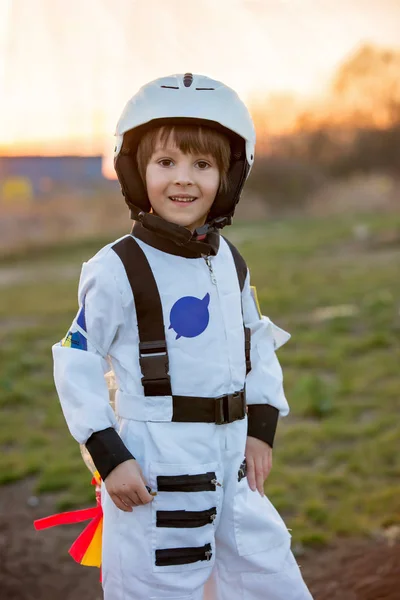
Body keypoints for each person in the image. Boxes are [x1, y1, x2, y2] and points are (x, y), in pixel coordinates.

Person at [53, 73, 313, 600]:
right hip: (156, 464)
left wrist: (261, 426)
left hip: (232, 459)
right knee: (160, 585)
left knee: (269, 578)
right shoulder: (117, 267)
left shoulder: (228, 260)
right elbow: (76, 359)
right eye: (166, 163)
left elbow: (254, 341)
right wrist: (110, 455)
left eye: (202, 165)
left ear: (229, 176)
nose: (184, 180)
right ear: (135, 171)